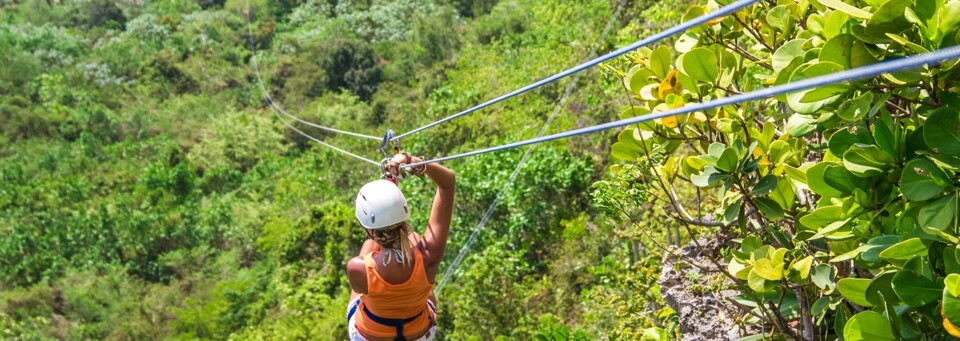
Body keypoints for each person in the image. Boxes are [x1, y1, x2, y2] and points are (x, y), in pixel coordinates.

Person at [346, 152, 455, 341]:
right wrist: (416, 162)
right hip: (419, 334)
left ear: (365, 226)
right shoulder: (428, 253)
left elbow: (371, 263)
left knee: (359, 293)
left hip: (370, 335)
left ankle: (380, 229)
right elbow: (448, 182)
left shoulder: (357, 267)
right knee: (415, 249)